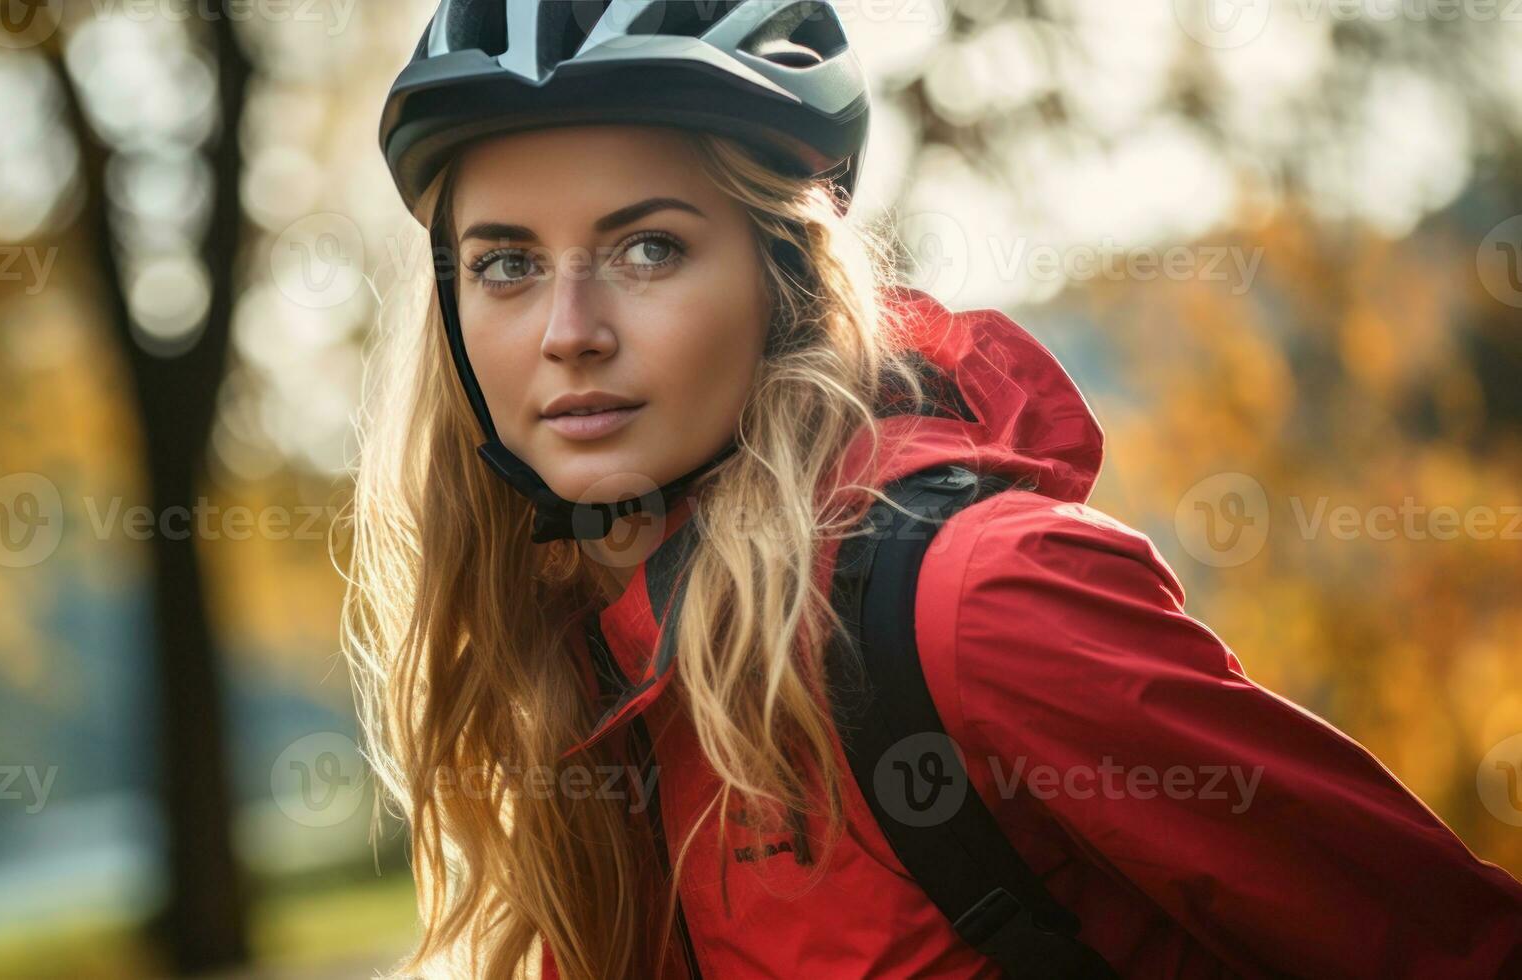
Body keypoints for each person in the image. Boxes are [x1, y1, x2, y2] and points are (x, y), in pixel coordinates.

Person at [347, 2, 1522, 977]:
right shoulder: (577, 675)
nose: (568, 331)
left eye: (649, 247)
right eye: (504, 262)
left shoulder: (973, 604)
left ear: (785, 277)